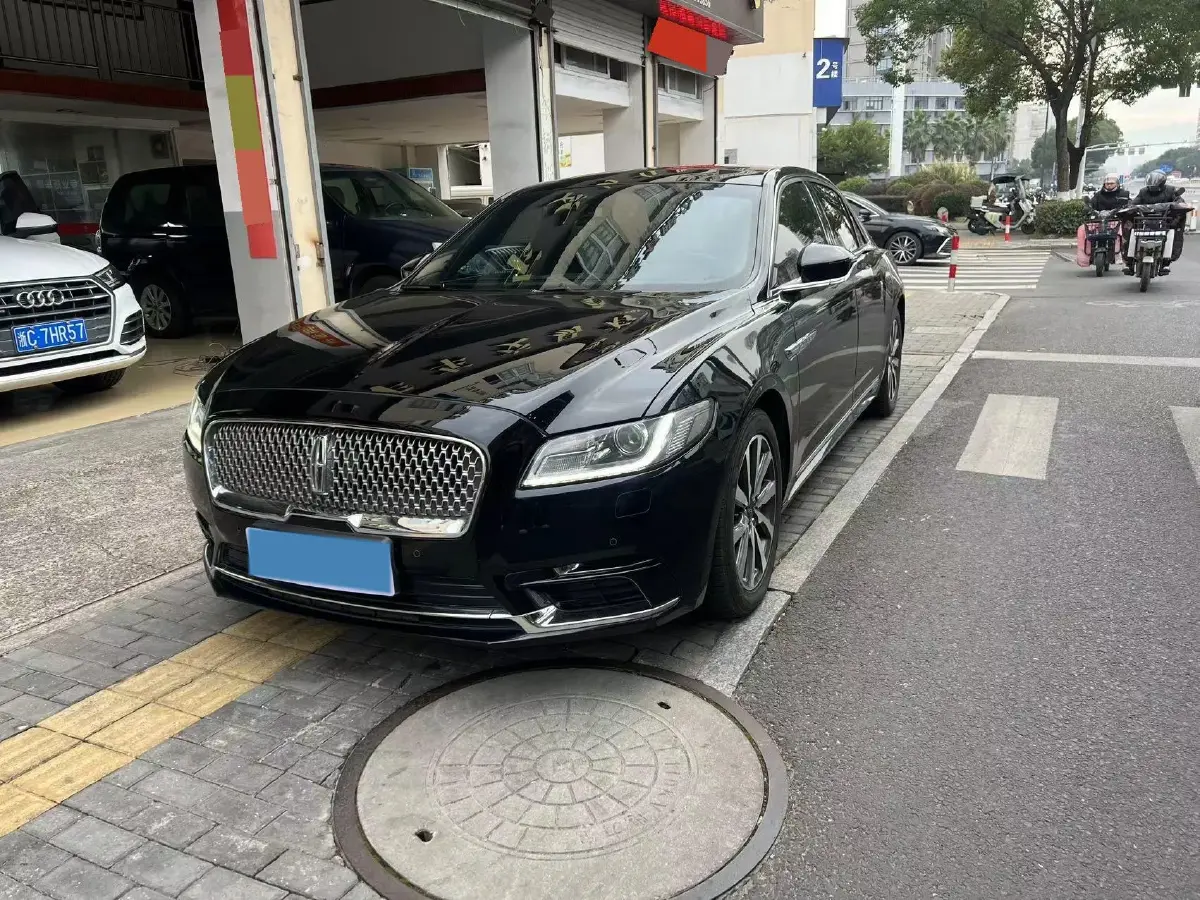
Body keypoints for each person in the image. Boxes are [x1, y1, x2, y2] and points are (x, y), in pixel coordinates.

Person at [1125, 170, 1186, 274]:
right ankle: (1129, 262)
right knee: (1132, 232)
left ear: (1162, 183)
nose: (1153, 187)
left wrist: (1178, 207)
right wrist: (1130, 207)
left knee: (1172, 234)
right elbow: (1134, 202)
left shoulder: (1171, 190)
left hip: (1166, 222)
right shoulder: (1143, 191)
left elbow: (1180, 202)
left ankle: (1166, 263)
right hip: (1144, 221)